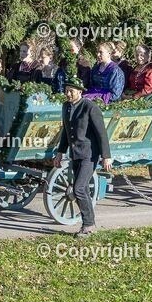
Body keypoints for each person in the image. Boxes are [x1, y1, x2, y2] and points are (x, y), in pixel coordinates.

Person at [53, 76, 112, 237]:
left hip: (89, 155)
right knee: (82, 189)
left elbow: (102, 134)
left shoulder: (90, 107)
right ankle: (90, 222)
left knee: (78, 189)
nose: (68, 94)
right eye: (66, 91)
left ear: (80, 92)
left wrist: (106, 156)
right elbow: (66, 131)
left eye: (71, 91)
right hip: (74, 154)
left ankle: (88, 225)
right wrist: (60, 153)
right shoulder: (66, 107)